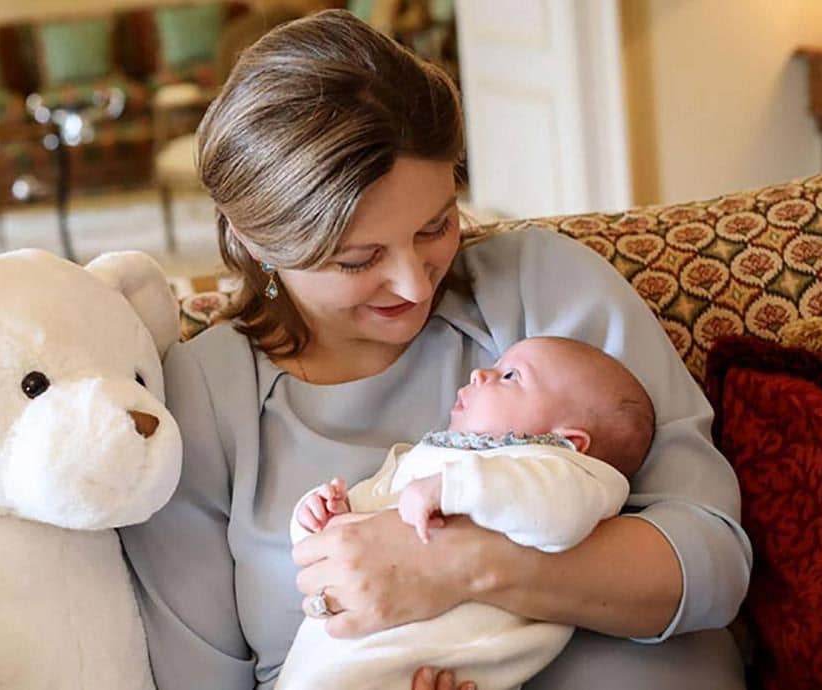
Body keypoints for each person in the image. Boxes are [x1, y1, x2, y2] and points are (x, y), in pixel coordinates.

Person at [120, 10, 751, 690]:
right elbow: (196, 678)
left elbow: (711, 565)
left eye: (435, 226)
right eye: (356, 259)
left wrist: (460, 566)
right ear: (253, 240)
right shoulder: (206, 400)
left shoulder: (538, 290)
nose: (414, 283)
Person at [279, 336, 653, 690]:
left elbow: (561, 518)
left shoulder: (562, 471)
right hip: (325, 662)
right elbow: (336, 545)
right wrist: (323, 513)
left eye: (511, 376)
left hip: (406, 666)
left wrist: (454, 487)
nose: (480, 374)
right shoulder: (424, 456)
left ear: (569, 440)